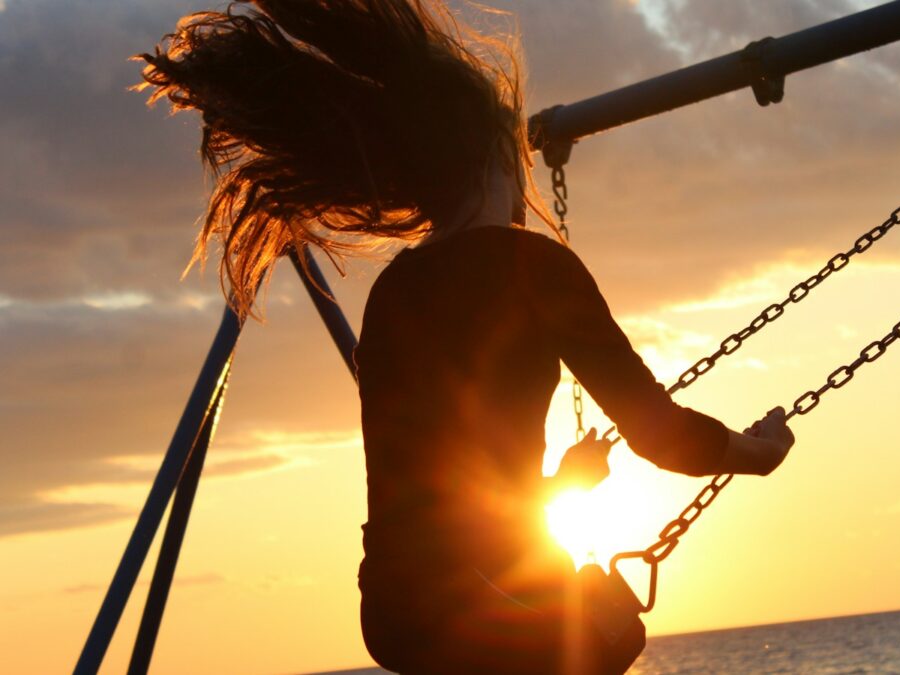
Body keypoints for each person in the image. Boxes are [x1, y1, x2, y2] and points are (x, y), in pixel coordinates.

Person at [139, 1, 795, 673]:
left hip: (393, 610)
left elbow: (436, 490)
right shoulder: (533, 266)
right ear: (496, 153)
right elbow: (659, 435)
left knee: (576, 613)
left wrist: (558, 485)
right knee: (611, 631)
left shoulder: (393, 292)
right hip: (477, 602)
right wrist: (759, 451)